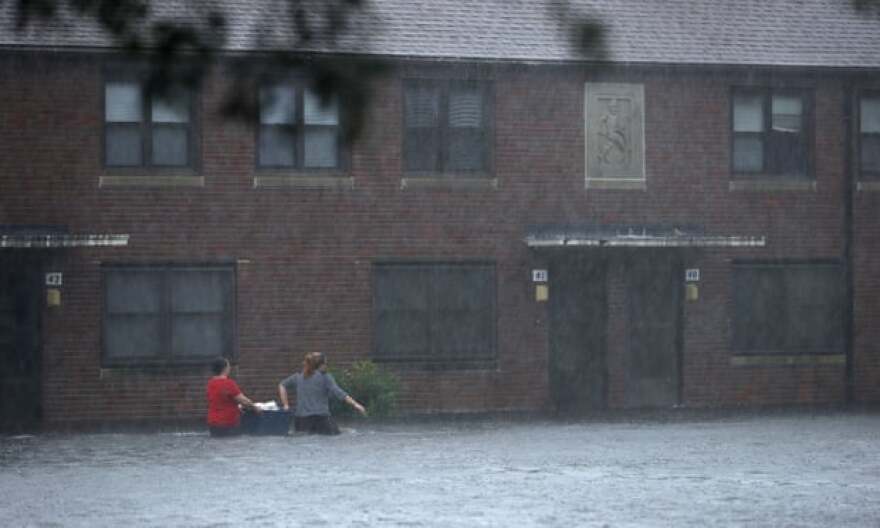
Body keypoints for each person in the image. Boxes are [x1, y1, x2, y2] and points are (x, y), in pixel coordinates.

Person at [278, 352, 366, 435]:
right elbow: (338, 392)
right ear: (321, 365)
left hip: (301, 421)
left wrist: (286, 405)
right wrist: (355, 404)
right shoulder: (325, 377)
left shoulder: (297, 377)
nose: (327, 366)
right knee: (347, 432)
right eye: (326, 363)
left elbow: (282, 385)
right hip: (321, 420)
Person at [206, 357, 261, 437]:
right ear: (224, 368)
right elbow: (244, 401)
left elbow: (221, 400)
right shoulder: (228, 383)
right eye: (228, 366)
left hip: (213, 423)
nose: (230, 368)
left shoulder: (210, 383)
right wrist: (255, 408)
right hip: (228, 423)